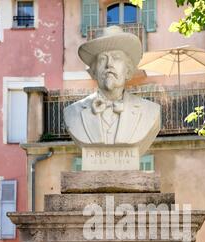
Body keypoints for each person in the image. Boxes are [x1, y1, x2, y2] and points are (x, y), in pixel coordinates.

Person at [63, 25, 160, 155]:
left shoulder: (150, 111)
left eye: (117, 57)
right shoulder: (73, 113)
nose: (109, 64)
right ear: (94, 72)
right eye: (103, 59)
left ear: (128, 71)